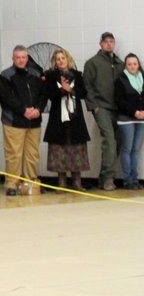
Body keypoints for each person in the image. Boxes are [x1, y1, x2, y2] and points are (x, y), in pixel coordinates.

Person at [0, 45, 47, 196]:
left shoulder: (36, 74)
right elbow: (6, 98)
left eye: (23, 57)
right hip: (14, 122)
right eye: (18, 57)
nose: (21, 60)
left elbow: (43, 94)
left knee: (32, 154)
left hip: (34, 122)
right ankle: (11, 184)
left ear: (27, 58)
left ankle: (30, 182)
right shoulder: (5, 75)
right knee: (14, 154)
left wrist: (38, 110)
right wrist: (23, 110)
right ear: (13, 58)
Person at [43, 49, 90, 192]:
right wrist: (61, 90)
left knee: (76, 149)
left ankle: (77, 182)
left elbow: (83, 93)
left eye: (63, 58)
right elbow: (49, 95)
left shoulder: (77, 75)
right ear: (55, 62)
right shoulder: (50, 76)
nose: (61, 61)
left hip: (75, 118)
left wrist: (71, 90)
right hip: (58, 119)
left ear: (68, 59)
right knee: (59, 149)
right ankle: (61, 182)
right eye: (58, 59)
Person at [84, 32, 123, 191]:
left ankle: (103, 177)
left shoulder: (120, 63)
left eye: (111, 41)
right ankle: (108, 178)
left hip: (118, 109)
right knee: (110, 140)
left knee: (117, 142)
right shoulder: (92, 63)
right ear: (100, 44)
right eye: (106, 41)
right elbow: (87, 85)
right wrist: (94, 106)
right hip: (102, 107)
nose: (109, 44)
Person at [115, 53, 144, 190]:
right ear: (125, 66)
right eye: (129, 64)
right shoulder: (120, 80)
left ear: (139, 65)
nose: (132, 66)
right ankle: (127, 180)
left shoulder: (142, 78)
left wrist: (142, 112)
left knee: (136, 150)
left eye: (135, 64)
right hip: (126, 120)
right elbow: (120, 101)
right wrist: (134, 112)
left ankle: (135, 179)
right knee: (127, 149)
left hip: (141, 119)